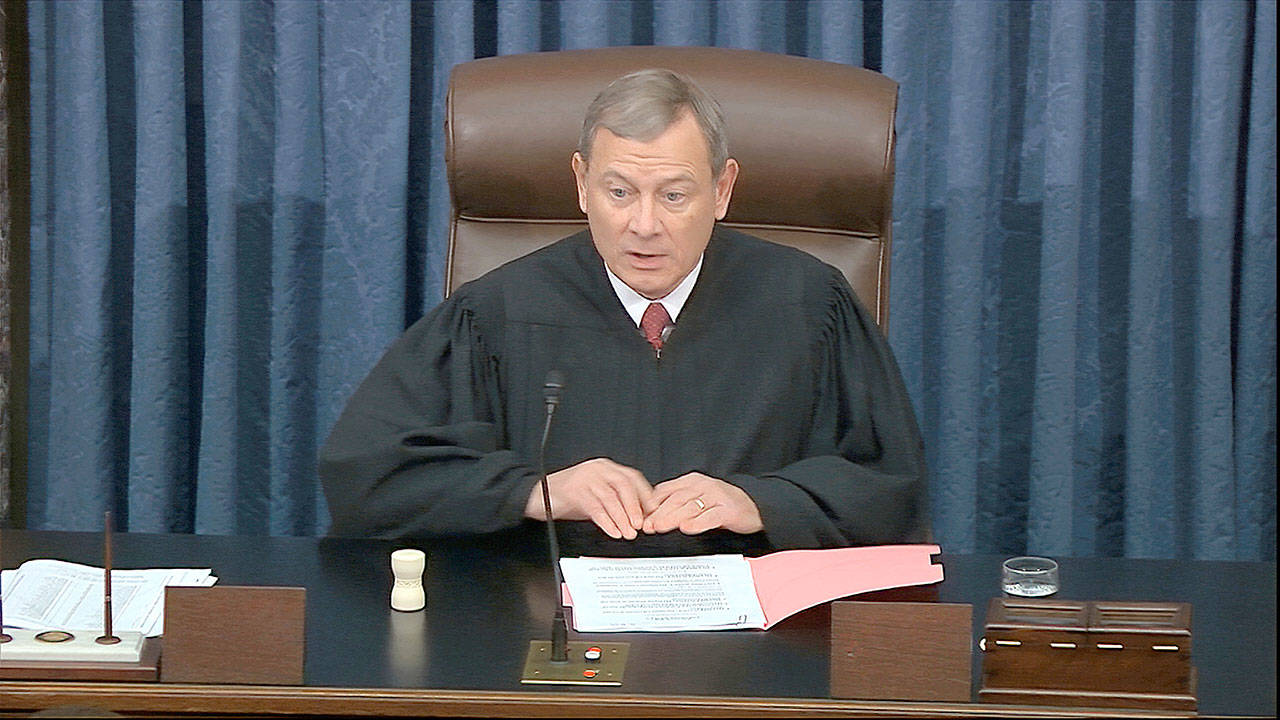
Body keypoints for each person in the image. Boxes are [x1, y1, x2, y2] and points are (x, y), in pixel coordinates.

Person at [319, 68, 929, 557]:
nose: (643, 225)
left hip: (758, 640)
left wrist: (763, 502)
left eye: (673, 194)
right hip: (544, 634)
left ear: (722, 190)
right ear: (581, 182)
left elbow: (890, 484)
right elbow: (368, 476)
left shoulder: (809, 305)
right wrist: (534, 491)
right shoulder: (496, 314)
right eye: (618, 192)